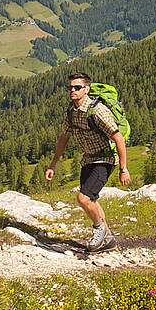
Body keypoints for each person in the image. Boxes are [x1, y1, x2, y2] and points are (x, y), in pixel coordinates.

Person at [46, 71, 130, 250]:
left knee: (83, 198)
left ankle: (99, 230)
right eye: (70, 87)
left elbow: (118, 138)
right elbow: (64, 138)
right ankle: (108, 240)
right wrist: (53, 164)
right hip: (88, 159)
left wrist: (124, 168)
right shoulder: (71, 111)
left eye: (77, 87)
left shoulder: (98, 111)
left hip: (105, 159)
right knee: (91, 200)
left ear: (87, 89)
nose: (72, 90)